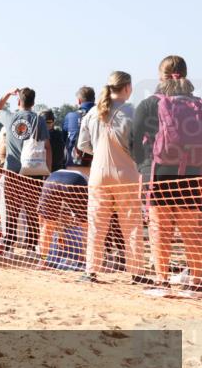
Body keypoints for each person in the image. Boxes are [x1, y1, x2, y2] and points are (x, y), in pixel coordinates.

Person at [131, 55, 202, 293]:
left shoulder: (150, 104)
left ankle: (162, 281)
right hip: (193, 174)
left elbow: (135, 142)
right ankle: (196, 283)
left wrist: (142, 166)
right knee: (192, 232)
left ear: (160, 75)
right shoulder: (198, 104)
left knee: (160, 230)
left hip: (158, 173)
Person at [76, 71, 143, 283]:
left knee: (97, 223)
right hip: (126, 174)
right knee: (131, 224)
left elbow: (81, 145)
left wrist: (99, 151)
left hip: (98, 174)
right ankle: (137, 272)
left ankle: (91, 271)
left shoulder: (93, 112)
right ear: (127, 88)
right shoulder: (133, 111)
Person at [0, 87, 51, 255]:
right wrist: (48, 170)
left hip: (11, 171)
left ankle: (9, 245)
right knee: (33, 211)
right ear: (33, 102)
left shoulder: (10, 118)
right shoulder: (38, 120)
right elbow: (46, 146)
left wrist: (7, 95)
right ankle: (32, 247)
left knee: (12, 210)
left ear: (19, 101)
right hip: (34, 171)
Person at [62, 87, 95, 167]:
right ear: (94, 99)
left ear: (79, 101)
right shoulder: (100, 116)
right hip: (95, 163)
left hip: (73, 162)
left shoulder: (70, 116)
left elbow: (63, 139)